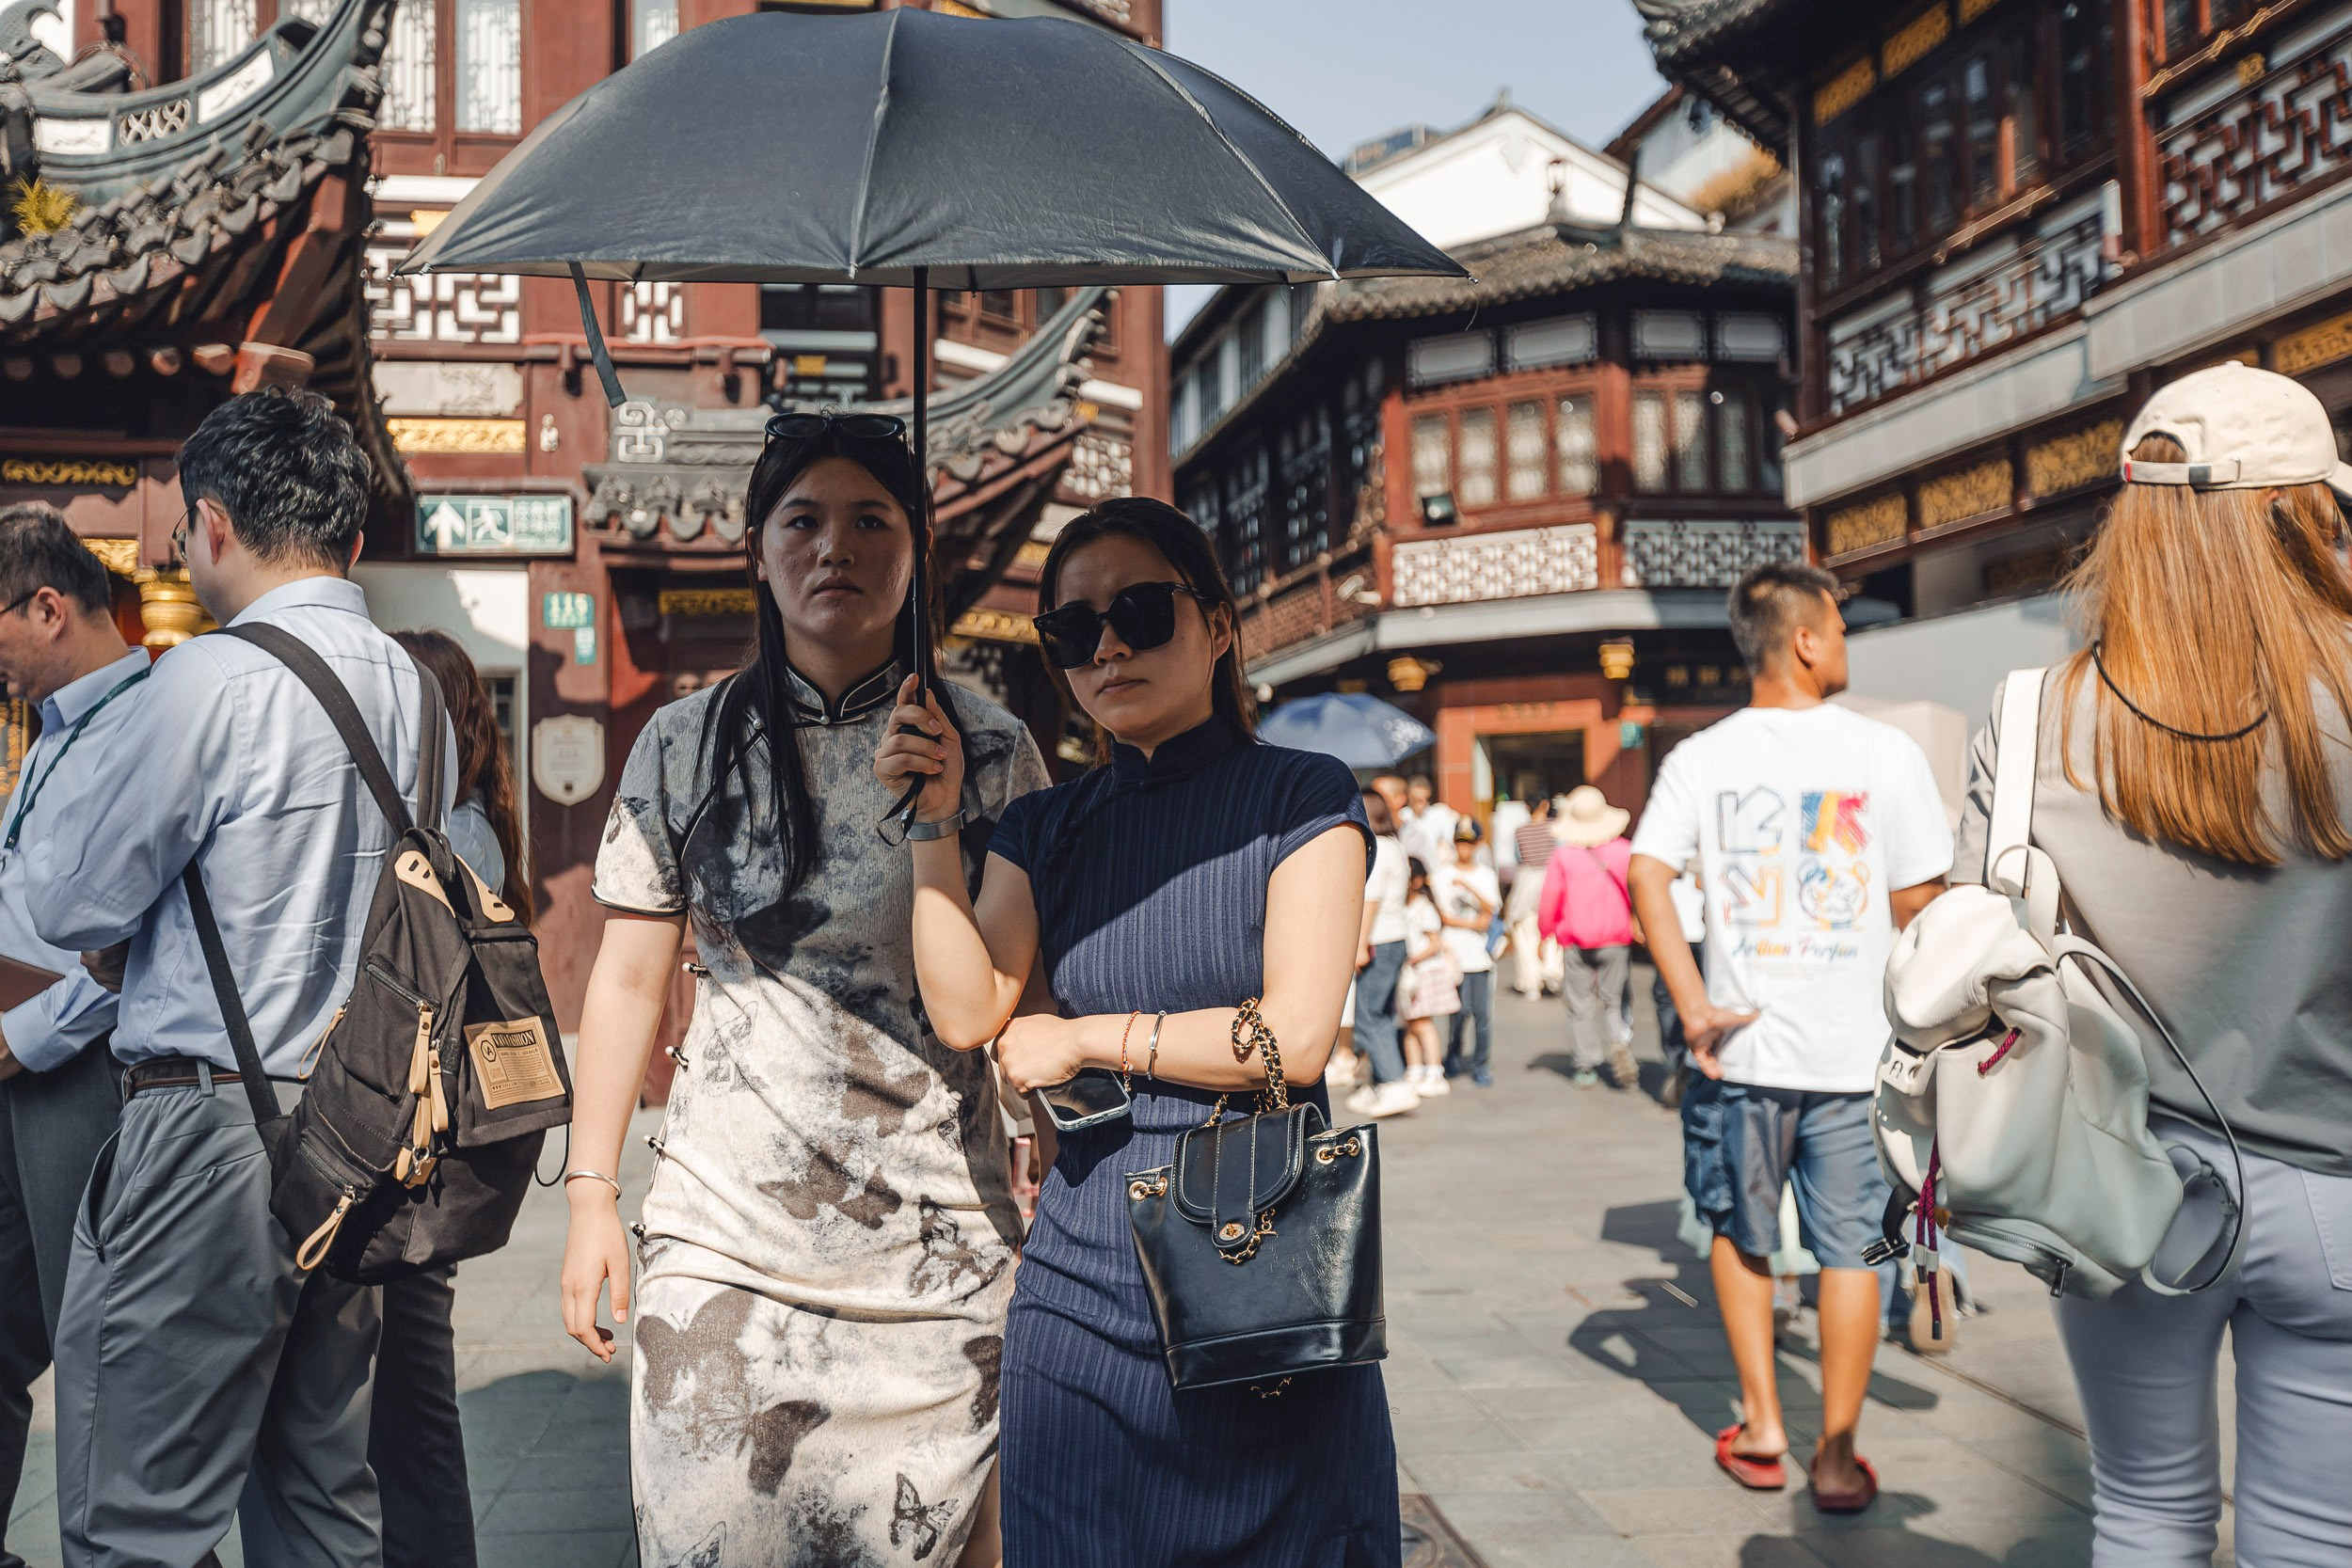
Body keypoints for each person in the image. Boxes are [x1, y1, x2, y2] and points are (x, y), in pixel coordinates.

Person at [563, 412, 1046, 1568]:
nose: (837, 547)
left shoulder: (991, 747)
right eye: (804, 520)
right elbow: (627, 980)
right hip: (726, 1238)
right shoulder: (682, 745)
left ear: (917, 546)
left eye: (872, 519)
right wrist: (589, 1193)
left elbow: (1009, 997)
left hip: (936, 1251)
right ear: (756, 548)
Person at [878, 496, 1399, 1566]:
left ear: (1214, 623)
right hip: (1079, 1268)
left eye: (1141, 611)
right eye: (1072, 631)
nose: (1107, 645)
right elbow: (970, 1007)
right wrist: (933, 823)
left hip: (1259, 1263)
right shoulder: (1043, 823)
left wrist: (1086, 1036)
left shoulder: (1302, 794)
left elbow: (1294, 1037)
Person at [24, 388, 457, 1568]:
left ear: (211, 523)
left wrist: (136, 928)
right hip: (359, 1127)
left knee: (131, 1515)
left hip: (207, 1128)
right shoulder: (415, 690)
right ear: (351, 538)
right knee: (320, 1494)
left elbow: (71, 905)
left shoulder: (206, 679)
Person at [1951, 364, 2352, 1562]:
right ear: (2303, 512)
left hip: (2122, 1187)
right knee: (2316, 1535)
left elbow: (1990, 954)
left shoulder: (2032, 715)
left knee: (2143, 1508)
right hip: (2337, 1183)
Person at [1628, 561, 1950, 1515]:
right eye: (1841, 629)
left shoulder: (1700, 756)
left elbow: (1647, 874)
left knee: (1740, 1228)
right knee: (1852, 1251)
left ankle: (1764, 1424)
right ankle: (1838, 1456)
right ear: (1805, 639)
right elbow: (1919, 903)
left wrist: (1689, 1002)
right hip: (1858, 1057)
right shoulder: (1883, 754)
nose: (1845, 644)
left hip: (1739, 1052)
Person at [361, 631, 531, 1568]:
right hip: (407, 1138)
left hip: (414, 1147)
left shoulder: (453, 833)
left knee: (410, 1400)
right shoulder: (455, 820)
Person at [0, 507, 139, 1568]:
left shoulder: (147, 722)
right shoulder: (53, 728)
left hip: (81, 1076)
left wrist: (28, 1036)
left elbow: (139, 938)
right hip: (18, 1066)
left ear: (48, 607)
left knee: (99, 1354)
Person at [1538, 785, 1639, 1089]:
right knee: (1614, 1000)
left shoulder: (1564, 856)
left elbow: (1550, 898)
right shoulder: (1624, 851)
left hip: (1576, 940)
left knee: (1580, 1004)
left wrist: (1545, 932)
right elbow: (1639, 892)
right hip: (1616, 939)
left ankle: (1585, 1065)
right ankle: (1619, 1043)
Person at [1348, 786, 1418, 1119]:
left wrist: (1360, 945)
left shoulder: (1380, 849)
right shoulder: (1395, 846)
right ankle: (1378, 1083)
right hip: (1394, 937)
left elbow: (1370, 900)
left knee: (1369, 1014)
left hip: (1379, 938)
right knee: (1381, 1013)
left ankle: (1393, 1083)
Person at [1434, 817, 1499, 1086]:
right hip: (1454, 956)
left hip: (1480, 957)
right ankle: (1453, 1054)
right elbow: (1443, 916)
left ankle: (1481, 1063)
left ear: (1478, 845)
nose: (1464, 849)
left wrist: (1468, 886)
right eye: (1460, 843)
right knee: (1457, 1014)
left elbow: (1492, 909)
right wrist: (1471, 922)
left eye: (1469, 844)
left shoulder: (1486, 875)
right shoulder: (1440, 875)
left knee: (1482, 1015)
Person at [1396, 855, 1459, 1096]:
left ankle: (1434, 1070)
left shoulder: (1424, 907)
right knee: (1409, 1024)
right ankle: (1414, 1069)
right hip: (1410, 974)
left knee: (1423, 1023)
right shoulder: (1401, 907)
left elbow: (1435, 942)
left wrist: (1413, 958)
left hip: (1424, 972)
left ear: (1417, 880)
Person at [1502, 793, 1565, 997]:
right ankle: (1551, 970)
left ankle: (1531, 983)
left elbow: (1517, 857)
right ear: (1545, 805)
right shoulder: (1555, 827)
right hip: (1550, 880)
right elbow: (1560, 853)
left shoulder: (1520, 831)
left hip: (1526, 882)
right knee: (1553, 929)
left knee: (1525, 933)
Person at [1398, 772, 1457, 866]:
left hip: (1433, 869)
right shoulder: (1402, 815)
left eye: (1421, 800)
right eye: (1414, 800)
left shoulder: (1438, 815)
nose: (1417, 805)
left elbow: (1451, 842)